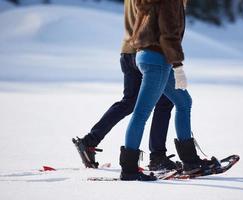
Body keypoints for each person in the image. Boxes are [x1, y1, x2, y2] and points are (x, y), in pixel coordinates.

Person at [72, 0, 180, 171]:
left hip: (126, 52)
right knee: (165, 100)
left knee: (129, 101)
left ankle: (90, 141)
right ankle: (157, 156)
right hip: (145, 51)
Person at [119, 0, 219, 181]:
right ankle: (129, 169)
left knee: (184, 102)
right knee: (141, 113)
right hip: (157, 58)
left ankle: (190, 161)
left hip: (147, 55)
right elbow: (168, 35)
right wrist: (178, 66)